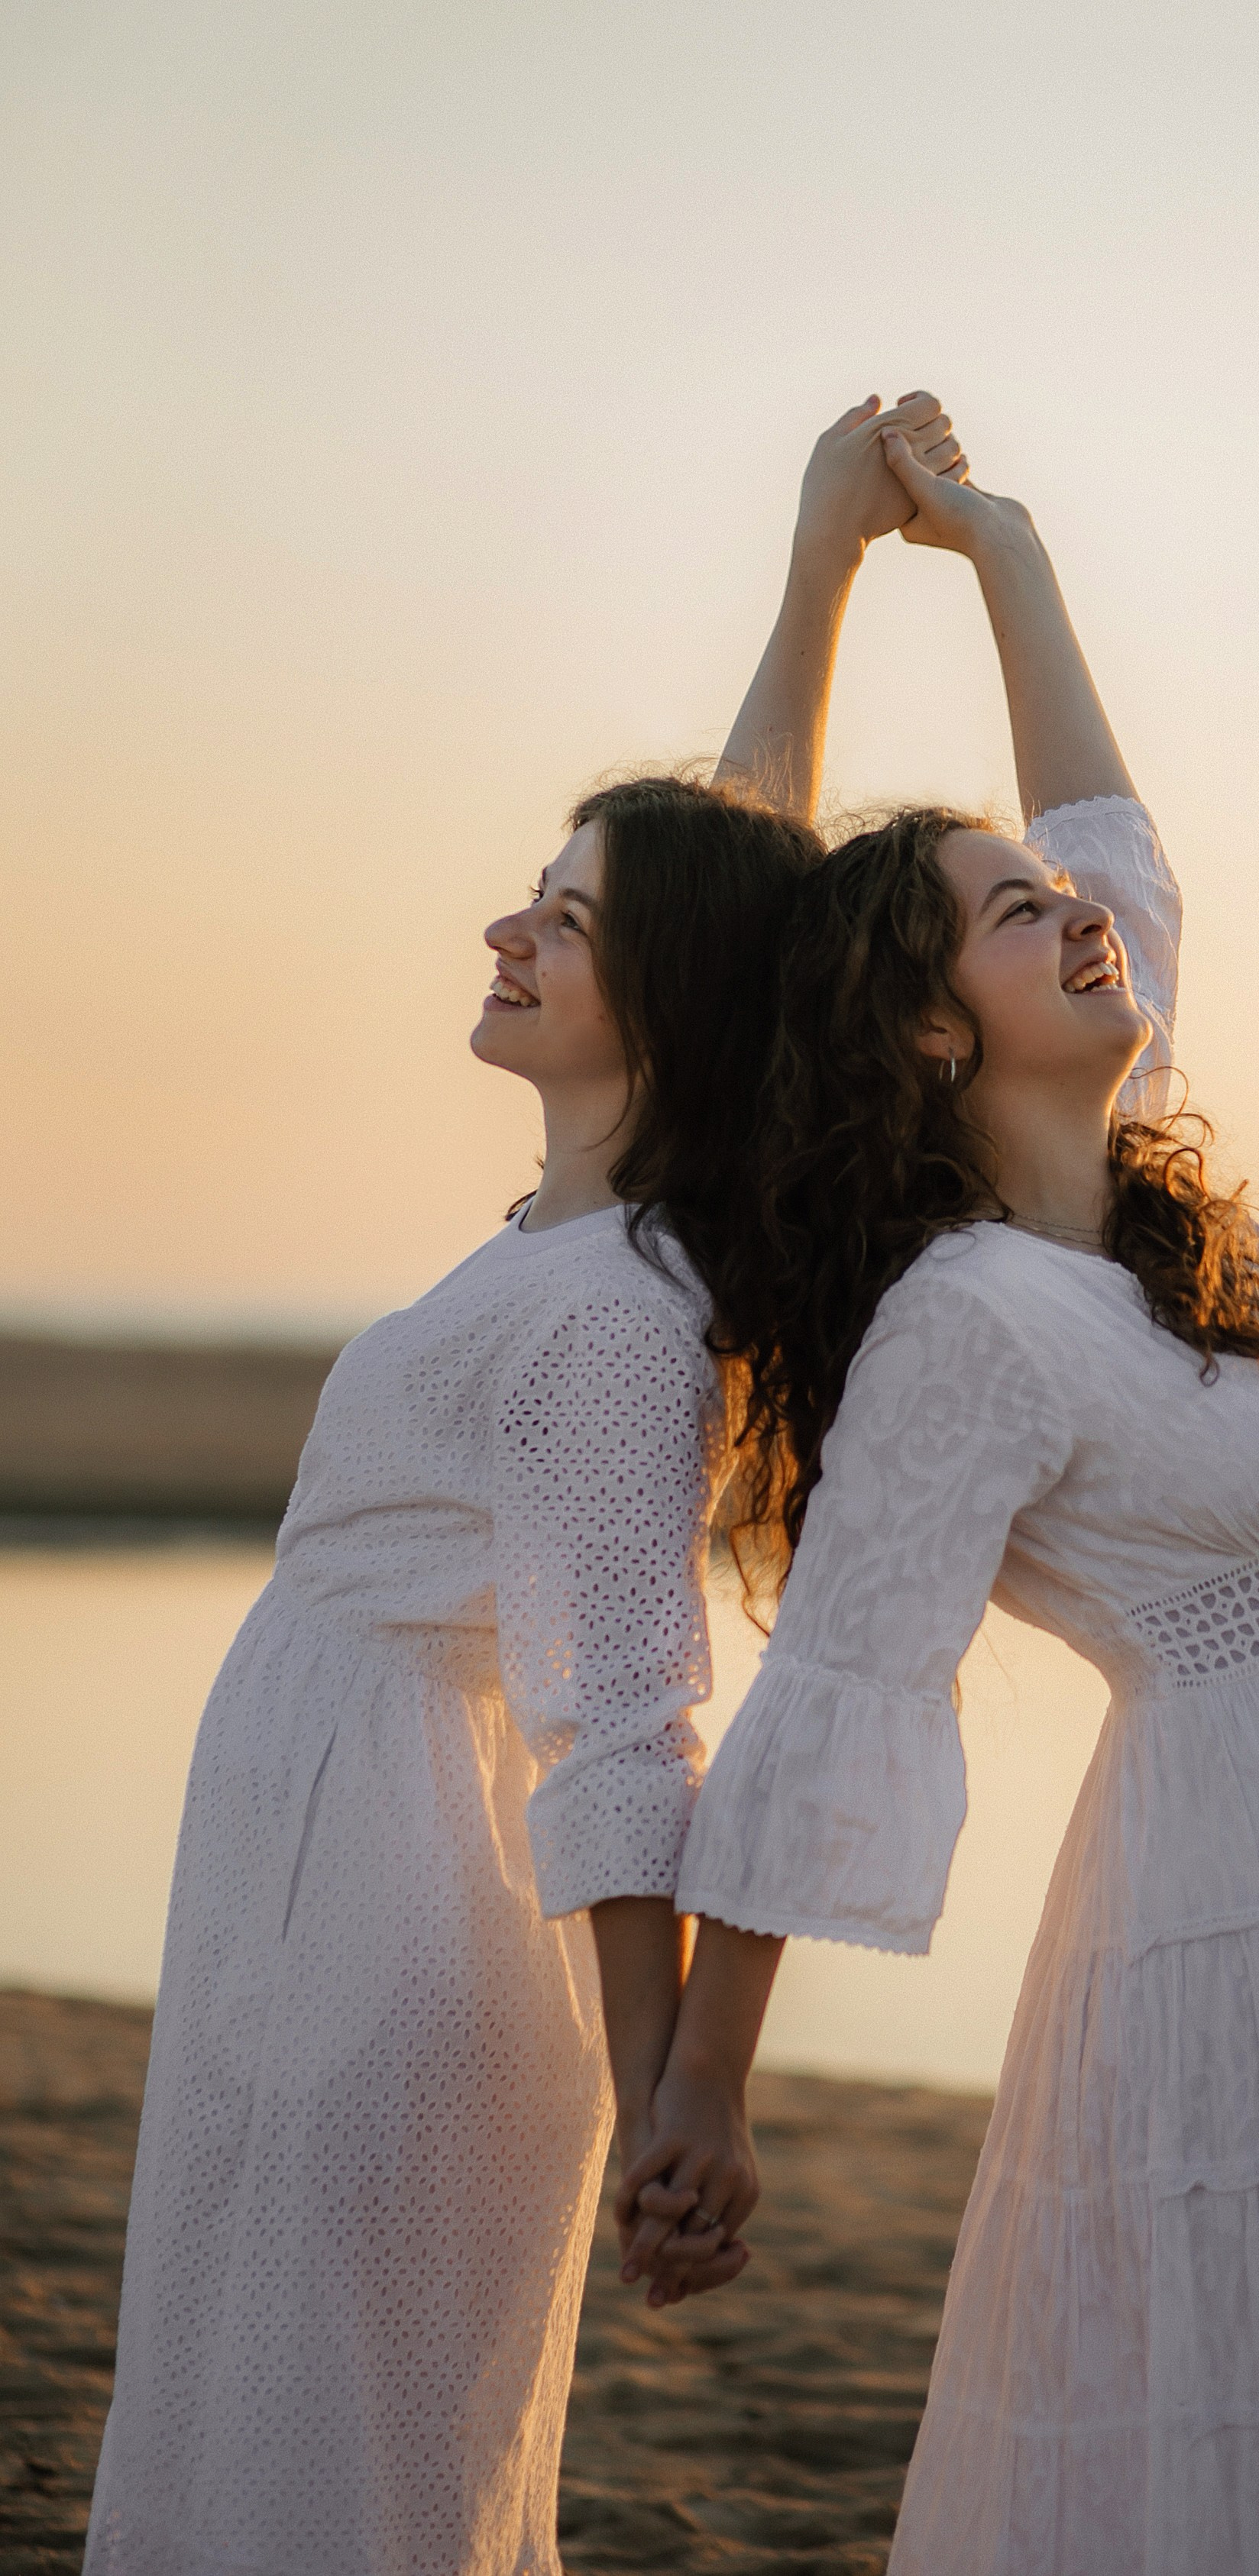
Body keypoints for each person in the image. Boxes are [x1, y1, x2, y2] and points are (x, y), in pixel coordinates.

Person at [620, 430, 1259, 2572]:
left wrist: (1004, 550)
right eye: (1007, 916)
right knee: (1250, 2377)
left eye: (1053, 893)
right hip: (1247, 1882)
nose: (1070, 908)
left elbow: (1114, 835)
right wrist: (705, 2090)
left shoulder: (1136, 1212)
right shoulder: (968, 1329)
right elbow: (837, 1689)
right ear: (927, 1039)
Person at [83, 389, 970, 2576]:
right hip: (321, 1885)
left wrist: (682, 2090)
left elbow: (623, 1718)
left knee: (333, 2478)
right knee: (259, 2427)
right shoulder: (581, 1239)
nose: (510, 928)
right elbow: (732, 862)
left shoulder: (608, 1317)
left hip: (395, 1931)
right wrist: (817, 559)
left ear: (650, 992)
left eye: (560, 921)